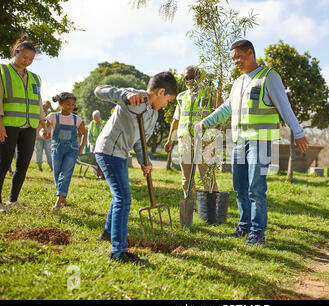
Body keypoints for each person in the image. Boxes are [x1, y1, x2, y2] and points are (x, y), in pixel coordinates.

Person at [198, 40, 309, 246]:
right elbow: (226, 108)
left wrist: (298, 132)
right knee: (239, 187)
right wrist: (205, 122)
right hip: (240, 142)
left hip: (260, 141)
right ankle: (244, 227)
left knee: (255, 188)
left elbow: (285, 107)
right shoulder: (238, 82)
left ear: (250, 53)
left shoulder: (269, 77)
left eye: (238, 57)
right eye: (233, 59)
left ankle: (257, 234)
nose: (235, 62)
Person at [94, 72, 178, 265]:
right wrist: (124, 96)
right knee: (123, 197)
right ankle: (119, 252)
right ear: (161, 92)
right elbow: (99, 91)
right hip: (107, 150)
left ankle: (108, 233)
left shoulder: (153, 113)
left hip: (121, 154)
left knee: (120, 195)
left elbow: (140, 141)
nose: (166, 104)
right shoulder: (133, 95)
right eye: (168, 100)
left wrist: (144, 161)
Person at [0, 33, 49, 212]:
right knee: (4, 162)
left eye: (30, 59)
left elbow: (38, 101)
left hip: (29, 126)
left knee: (23, 163)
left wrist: (43, 123)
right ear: (15, 52)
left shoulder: (36, 78)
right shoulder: (3, 71)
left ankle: (13, 200)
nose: (26, 61)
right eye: (24, 57)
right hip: (8, 124)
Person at [164, 66, 219, 199]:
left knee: (207, 175)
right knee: (186, 178)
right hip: (185, 141)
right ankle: (189, 205)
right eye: (186, 78)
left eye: (192, 77)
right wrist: (169, 140)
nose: (189, 81)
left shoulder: (210, 93)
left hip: (205, 141)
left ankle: (212, 205)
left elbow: (220, 111)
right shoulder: (182, 97)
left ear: (199, 78)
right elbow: (176, 120)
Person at [46, 93, 87, 211]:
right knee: (57, 174)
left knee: (65, 174)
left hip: (72, 150)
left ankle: (58, 201)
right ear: (60, 104)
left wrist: (81, 148)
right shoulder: (53, 116)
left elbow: (84, 134)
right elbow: (44, 129)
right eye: (68, 104)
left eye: (73, 105)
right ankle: (62, 196)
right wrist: (44, 134)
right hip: (56, 149)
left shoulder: (76, 119)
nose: (71, 107)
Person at [35, 100, 54, 172]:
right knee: (38, 151)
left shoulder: (50, 113)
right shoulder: (37, 113)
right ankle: (40, 168)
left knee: (49, 151)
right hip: (38, 136)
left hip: (48, 136)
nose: (45, 107)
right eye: (44, 106)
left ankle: (52, 168)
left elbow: (55, 115)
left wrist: (51, 107)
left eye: (46, 106)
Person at [87, 110, 106, 178]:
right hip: (93, 144)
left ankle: (102, 173)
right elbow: (89, 134)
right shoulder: (92, 123)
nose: (94, 119)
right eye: (93, 117)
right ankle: (96, 172)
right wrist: (89, 143)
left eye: (95, 117)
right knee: (94, 159)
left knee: (101, 158)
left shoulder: (104, 123)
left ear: (99, 117)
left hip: (102, 145)